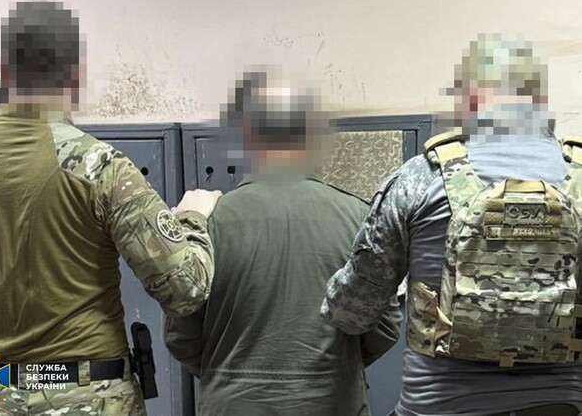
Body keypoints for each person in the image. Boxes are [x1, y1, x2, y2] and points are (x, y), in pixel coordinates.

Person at [0, 0, 221, 416]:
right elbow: (185, 289)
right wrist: (193, 216)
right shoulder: (98, 166)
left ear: (4, 71)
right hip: (91, 398)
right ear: (76, 73)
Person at [321, 34, 582, 416]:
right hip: (557, 406)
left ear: (470, 99)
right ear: (538, 100)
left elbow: (353, 312)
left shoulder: (420, 179)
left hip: (438, 406)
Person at [165, 69, 402, 416]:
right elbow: (384, 327)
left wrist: (229, 374)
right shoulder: (360, 218)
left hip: (234, 405)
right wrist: (334, 371)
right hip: (332, 402)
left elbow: (181, 336)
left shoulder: (207, 222)